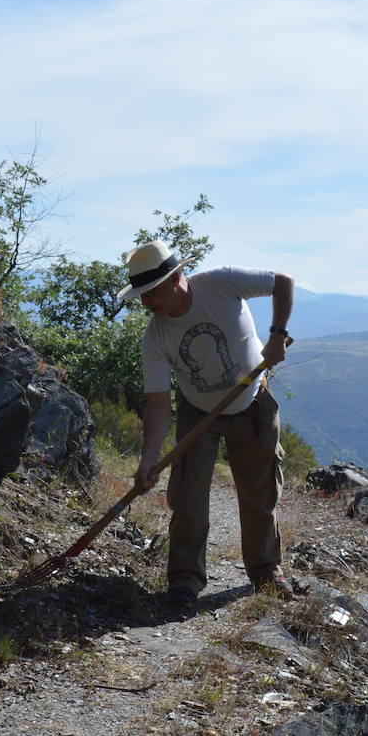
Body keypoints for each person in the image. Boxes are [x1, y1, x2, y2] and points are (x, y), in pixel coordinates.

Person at [118, 239, 294, 606]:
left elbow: (283, 282)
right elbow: (158, 404)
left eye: (151, 291)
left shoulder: (222, 283)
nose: (146, 301)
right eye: (141, 294)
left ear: (176, 277)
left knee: (259, 495)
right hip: (197, 410)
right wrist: (148, 459)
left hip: (252, 401)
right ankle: (184, 581)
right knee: (187, 499)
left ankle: (266, 572)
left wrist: (277, 336)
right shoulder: (155, 336)